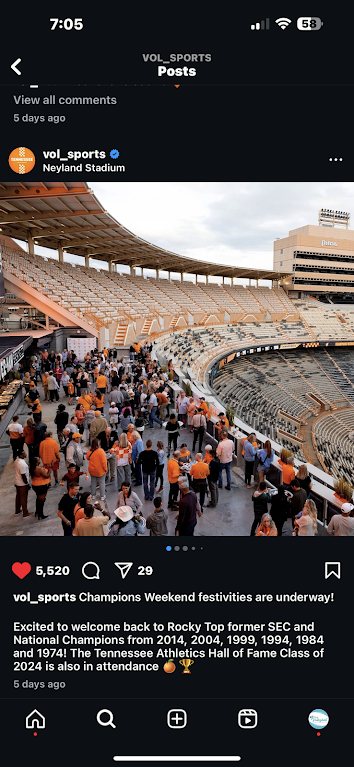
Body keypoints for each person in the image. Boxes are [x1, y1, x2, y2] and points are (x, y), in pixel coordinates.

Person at [14, 450, 32, 517]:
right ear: (21, 455)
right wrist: (27, 484)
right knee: (23, 498)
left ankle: (17, 510)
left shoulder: (16, 461)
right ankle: (25, 513)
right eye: (24, 453)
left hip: (16, 482)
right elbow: (23, 475)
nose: (25, 454)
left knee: (18, 496)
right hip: (22, 484)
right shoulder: (22, 464)